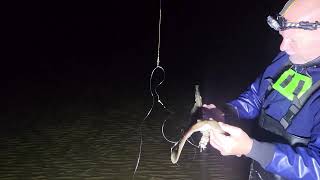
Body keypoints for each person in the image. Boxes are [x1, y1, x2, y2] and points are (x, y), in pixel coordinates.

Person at [205, 0, 320, 179]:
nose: (283, 47)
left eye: (293, 40)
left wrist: (252, 148)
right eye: (283, 36)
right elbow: (256, 96)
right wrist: (227, 112)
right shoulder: (286, 58)